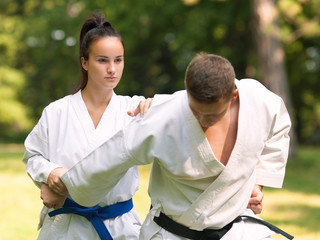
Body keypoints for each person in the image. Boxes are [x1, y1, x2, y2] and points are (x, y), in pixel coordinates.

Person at [58, 53, 293, 240]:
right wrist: (64, 187)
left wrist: (256, 182)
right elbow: (113, 155)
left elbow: (279, 127)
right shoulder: (163, 115)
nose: (202, 120)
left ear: (233, 95)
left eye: (212, 115)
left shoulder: (258, 101)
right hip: (172, 234)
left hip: (237, 231)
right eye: (195, 111)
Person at [23, 12, 152, 240]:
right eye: (102, 60)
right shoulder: (57, 112)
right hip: (66, 228)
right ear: (85, 62)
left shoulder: (135, 109)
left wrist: (158, 107)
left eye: (118, 60)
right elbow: (33, 155)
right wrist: (50, 173)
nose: (112, 69)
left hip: (119, 228)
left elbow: (176, 126)